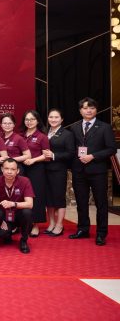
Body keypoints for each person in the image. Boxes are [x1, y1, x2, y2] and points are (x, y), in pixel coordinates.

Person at [69, 97, 116, 246]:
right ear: (80, 111)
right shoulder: (74, 127)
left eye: (92, 108)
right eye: (85, 108)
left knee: (101, 203)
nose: (88, 110)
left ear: (96, 110)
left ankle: (101, 233)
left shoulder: (105, 127)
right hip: (79, 170)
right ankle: (83, 229)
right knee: (81, 202)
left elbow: (111, 149)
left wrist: (93, 156)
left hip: (98, 171)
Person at [43, 108, 74, 236]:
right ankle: (51, 223)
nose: (53, 119)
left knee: (58, 197)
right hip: (44, 169)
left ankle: (60, 224)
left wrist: (54, 155)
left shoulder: (67, 134)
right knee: (48, 198)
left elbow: (70, 153)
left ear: (61, 119)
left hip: (58, 170)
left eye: (56, 117)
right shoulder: (44, 132)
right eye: (51, 117)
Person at [0, 159, 34, 254]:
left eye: (13, 169)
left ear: (17, 171)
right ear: (2, 169)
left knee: (27, 212)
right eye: (6, 168)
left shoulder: (25, 181)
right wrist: (0, 220)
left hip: (18, 214)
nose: (9, 172)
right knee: (2, 234)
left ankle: (24, 240)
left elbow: (30, 204)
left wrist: (13, 204)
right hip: (4, 216)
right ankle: (9, 233)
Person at [20, 110, 50, 237]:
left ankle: (36, 225)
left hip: (36, 169)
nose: (29, 122)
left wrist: (33, 160)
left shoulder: (42, 136)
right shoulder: (21, 135)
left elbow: (47, 155)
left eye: (32, 119)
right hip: (22, 169)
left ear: (37, 121)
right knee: (21, 196)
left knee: (36, 196)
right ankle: (21, 223)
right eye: (27, 119)